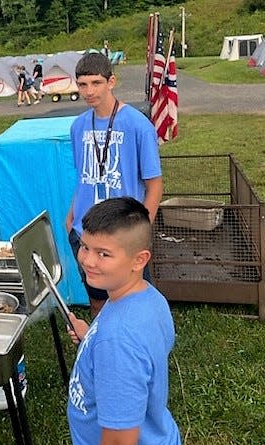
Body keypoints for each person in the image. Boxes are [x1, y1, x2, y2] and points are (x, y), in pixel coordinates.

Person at [66, 197, 181, 445]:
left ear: (139, 260)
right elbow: (138, 356)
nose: (87, 260)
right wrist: (92, 336)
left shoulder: (119, 341)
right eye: (85, 246)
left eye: (103, 254)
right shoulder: (144, 298)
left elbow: (120, 442)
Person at [66, 52, 163, 318]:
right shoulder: (78, 127)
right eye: (83, 84)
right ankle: (101, 348)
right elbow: (84, 177)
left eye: (96, 83)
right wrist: (72, 217)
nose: (89, 91)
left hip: (123, 233)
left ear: (111, 82)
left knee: (133, 300)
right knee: (97, 299)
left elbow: (154, 185)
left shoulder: (138, 125)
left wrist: (141, 229)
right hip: (86, 232)